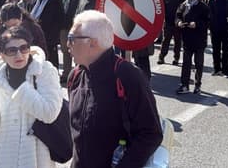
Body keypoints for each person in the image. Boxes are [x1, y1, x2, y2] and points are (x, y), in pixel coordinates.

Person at [66, 11, 162, 168]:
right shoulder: (75, 75)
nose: (67, 44)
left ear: (92, 43)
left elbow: (151, 133)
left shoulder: (128, 75)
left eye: (72, 39)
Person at [0, 26, 63, 168]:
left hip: (37, 158)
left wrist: (21, 88)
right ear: (2, 54)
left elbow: (50, 113)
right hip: (6, 156)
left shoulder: (44, 70)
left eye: (24, 48)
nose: (19, 55)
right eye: (12, 50)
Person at [176, 0, 209, 94]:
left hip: (199, 40)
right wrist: (179, 23)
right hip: (187, 39)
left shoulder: (203, 7)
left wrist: (197, 24)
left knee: (198, 63)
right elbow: (177, 16)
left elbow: (208, 22)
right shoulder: (183, 5)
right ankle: (184, 85)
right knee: (186, 63)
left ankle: (197, 84)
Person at [30, 0, 64, 72]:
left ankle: (54, 73)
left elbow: (59, 18)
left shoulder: (54, 0)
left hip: (50, 34)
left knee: (51, 57)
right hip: (38, 33)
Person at [59, 0, 87, 83]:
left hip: (76, 28)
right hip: (64, 28)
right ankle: (66, 74)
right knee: (65, 51)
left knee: (77, 51)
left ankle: (78, 74)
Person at [206, 0, 228, 76]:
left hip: (227, 30)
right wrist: (210, 26)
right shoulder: (212, 0)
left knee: (226, 50)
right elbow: (208, 14)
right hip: (215, 30)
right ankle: (216, 68)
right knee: (216, 50)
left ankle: (226, 70)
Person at [158, 0, 185, 65]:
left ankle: (176, 58)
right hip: (168, 23)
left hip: (178, 24)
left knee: (178, 42)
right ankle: (161, 57)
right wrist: (162, 21)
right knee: (165, 41)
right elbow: (161, 9)